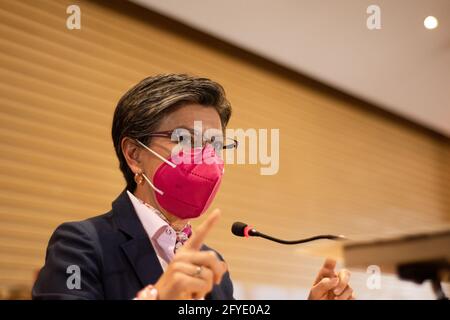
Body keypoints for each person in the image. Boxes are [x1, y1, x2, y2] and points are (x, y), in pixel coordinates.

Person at [32, 74, 354, 300]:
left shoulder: (212, 262)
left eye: (214, 144)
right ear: (134, 155)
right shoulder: (82, 244)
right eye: (185, 139)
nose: (205, 157)